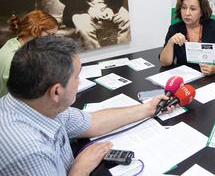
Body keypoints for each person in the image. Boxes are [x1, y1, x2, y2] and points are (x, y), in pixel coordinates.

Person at [0, 36, 172, 175]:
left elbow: (93, 122)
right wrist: (79, 170)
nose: (79, 82)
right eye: (77, 77)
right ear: (56, 92)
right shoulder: (29, 152)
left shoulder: (39, 104)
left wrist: (147, 109)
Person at [159, 0, 215, 76]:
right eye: (184, 8)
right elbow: (164, 63)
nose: (187, 13)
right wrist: (170, 42)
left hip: (211, 78)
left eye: (193, 9)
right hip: (185, 78)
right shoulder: (175, 29)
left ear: (202, 11)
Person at [0, 10, 58, 97]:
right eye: (51, 34)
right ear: (35, 30)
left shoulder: (16, 42)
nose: (52, 39)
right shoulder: (13, 58)